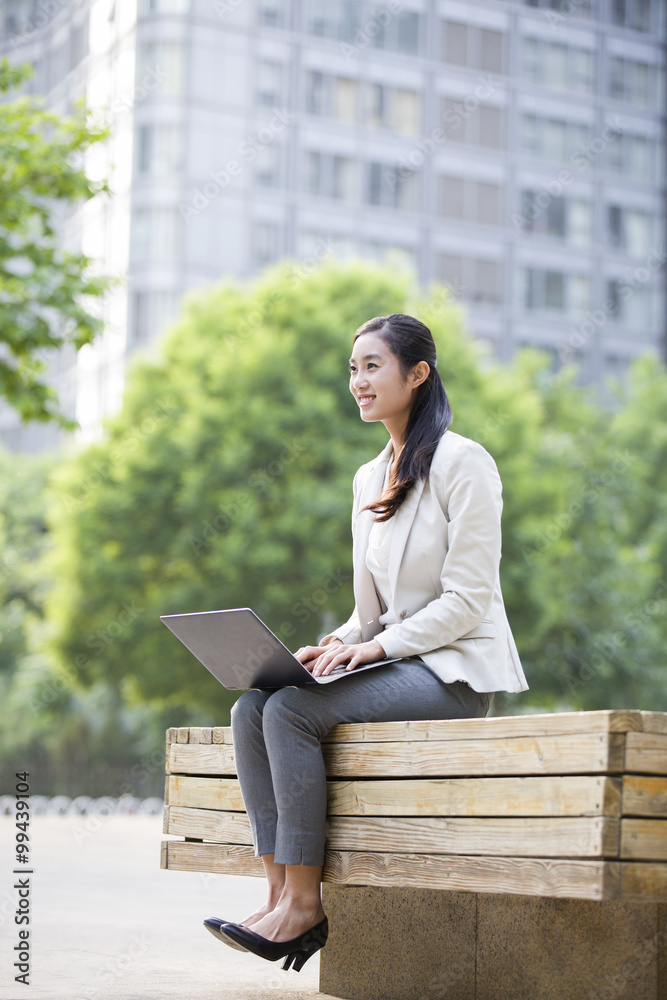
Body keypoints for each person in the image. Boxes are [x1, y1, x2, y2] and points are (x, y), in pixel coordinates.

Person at [204, 313, 528, 971]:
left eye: (372, 366)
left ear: (417, 374)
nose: (358, 381)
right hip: (400, 660)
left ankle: (304, 906)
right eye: (352, 368)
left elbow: (467, 602)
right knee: (252, 705)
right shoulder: (367, 477)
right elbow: (369, 613)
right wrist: (331, 644)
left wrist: (375, 650)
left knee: (293, 712)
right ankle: (277, 896)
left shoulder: (464, 464)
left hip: (454, 674)